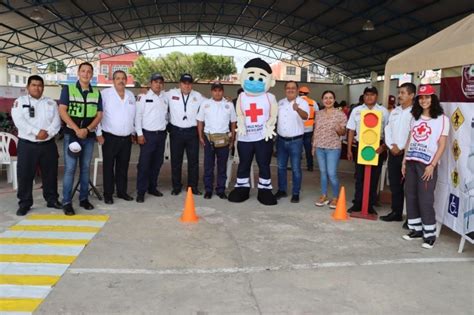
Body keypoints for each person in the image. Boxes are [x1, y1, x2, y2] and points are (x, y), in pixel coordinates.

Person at [402, 84, 449, 249]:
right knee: (411, 195)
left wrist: (432, 165)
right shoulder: (414, 117)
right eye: (421, 98)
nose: (424, 100)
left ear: (433, 98)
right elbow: (410, 139)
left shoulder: (442, 119)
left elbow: (442, 144)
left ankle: (429, 234)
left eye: (427, 97)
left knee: (426, 198)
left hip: (427, 163)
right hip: (412, 160)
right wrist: (404, 160)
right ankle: (415, 229)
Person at [228, 58, 278, 205]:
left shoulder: (270, 97)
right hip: (245, 138)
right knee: (244, 163)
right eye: (250, 77)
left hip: (263, 137)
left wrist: (270, 125)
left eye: (260, 77)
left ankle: (264, 189)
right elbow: (240, 114)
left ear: (270, 81)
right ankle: (242, 188)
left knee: (264, 164)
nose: (254, 81)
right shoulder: (242, 97)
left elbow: (273, 114)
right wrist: (241, 124)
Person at [11, 75, 62, 216]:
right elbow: (19, 121)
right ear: (28, 87)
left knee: (50, 174)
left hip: (48, 144)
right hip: (28, 145)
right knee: (25, 175)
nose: (37, 88)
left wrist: (48, 133)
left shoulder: (51, 103)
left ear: (43, 87)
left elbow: (57, 122)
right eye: (33, 85)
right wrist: (36, 132)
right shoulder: (19, 102)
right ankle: (24, 203)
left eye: (39, 85)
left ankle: (52, 199)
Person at [59, 62, 103, 216]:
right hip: (72, 135)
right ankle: (66, 202)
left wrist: (87, 129)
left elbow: (99, 115)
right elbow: (62, 111)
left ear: (92, 74)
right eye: (83, 71)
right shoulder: (68, 89)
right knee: (70, 169)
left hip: (88, 136)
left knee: (85, 168)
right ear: (78, 73)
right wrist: (77, 129)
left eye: (89, 71)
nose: (86, 74)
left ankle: (84, 198)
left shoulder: (96, 92)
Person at [346, 86, 389, 214]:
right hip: (361, 146)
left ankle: (370, 204)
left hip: (377, 147)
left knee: (374, 177)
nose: (369, 97)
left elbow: (388, 131)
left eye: (372, 94)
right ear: (363, 96)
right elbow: (351, 130)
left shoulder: (384, 111)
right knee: (359, 176)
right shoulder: (357, 110)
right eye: (366, 95)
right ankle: (358, 203)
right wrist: (349, 149)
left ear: (377, 96)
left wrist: (384, 147)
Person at [96, 70, 136, 204]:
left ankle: (122, 191)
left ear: (126, 80)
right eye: (118, 78)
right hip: (109, 137)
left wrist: (134, 132)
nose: (121, 81)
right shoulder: (105, 94)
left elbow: (133, 116)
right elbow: (98, 115)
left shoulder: (131, 95)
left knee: (123, 167)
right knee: (108, 167)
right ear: (113, 81)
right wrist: (98, 133)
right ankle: (108, 194)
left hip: (126, 138)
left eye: (123, 78)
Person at [380, 83, 416, 223]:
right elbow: (388, 129)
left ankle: (412, 218)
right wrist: (391, 145)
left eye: (403, 93)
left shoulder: (416, 113)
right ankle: (396, 212)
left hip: (408, 154)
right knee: (395, 185)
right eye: (399, 92)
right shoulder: (394, 111)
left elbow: (413, 134)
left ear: (412, 95)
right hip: (393, 153)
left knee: (411, 188)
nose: (399, 95)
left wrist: (401, 147)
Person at [165, 74, 204, 195]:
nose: (187, 85)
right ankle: (176, 186)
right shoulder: (171, 94)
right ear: (179, 84)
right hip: (176, 132)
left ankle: (193, 187)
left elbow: (211, 102)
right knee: (176, 161)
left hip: (192, 133)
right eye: (184, 83)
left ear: (192, 84)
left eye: (189, 83)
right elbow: (157, 94)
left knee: (194, 162)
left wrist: (226, 99)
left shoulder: (198, 96)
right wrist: (144, 91)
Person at [197, 82, 237, 199]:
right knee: (208, 166)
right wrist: (200, 136)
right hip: (209, 138)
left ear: (223, 91)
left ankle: (220, 190)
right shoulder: (205, 104)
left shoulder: (229, 105)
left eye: (219, 90)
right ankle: (208, 190)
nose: (217, 92)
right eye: (215, 90)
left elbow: (233, 122)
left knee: (222, 166)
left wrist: (232, 138)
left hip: (224, 139)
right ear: (211, 92)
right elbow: (200, 121)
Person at [134, 74, 168, 203]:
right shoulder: (143, 97)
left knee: (157, 163)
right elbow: (138, 116)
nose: (158, 84)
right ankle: (141, 191)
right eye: (155, 82)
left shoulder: (165, 97)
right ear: (151, 83)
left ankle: (152, 187)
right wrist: (139, 134)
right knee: (144, 164)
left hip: (161, 135)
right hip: (147, 135)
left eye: (160, 82)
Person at [274, 81, 309, 203]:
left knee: (295, 169)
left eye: (293, 88)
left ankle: (295, 193)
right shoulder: (280, 102)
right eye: (288, 88)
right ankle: (282, 190)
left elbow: (305, 116)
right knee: (281, 167)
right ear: (285, 90)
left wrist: (297, 109)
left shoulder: (302, 102)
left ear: (297, 89)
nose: (290, 90)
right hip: (281, 140)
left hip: (296, 141)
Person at [313, 90, 347, 209]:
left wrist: (339, 130)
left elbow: (343, 133)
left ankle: (336, 197)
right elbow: (316, 130)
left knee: (331, 173)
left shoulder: (340, 114)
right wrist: (314, 146)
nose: (328, 100)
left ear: (334, 99)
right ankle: (324, 196)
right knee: (322, 173)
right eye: (326, 98)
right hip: (320, 147)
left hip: (333, 148)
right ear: (322, 100)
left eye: (330, 98)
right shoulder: (318, 114)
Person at [298, 86, 318, 171]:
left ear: (299, 93)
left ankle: (296, 166)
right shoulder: (313, 102)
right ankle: (310, 166)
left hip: (298, 129)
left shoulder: (296, 102)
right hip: (309, 129)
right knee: (308, 148)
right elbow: (317, 115)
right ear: (307, 93)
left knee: (297, 148)